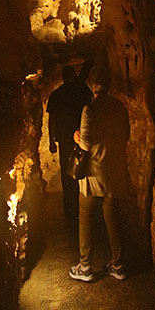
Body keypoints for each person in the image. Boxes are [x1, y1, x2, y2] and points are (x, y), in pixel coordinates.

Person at [69, 65, 131, 283]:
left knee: (85, 216)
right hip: (115, 170)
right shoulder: (120, 107)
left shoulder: (90, 109)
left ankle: (85, 266)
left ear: (91, 85)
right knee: (112, 216)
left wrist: (77, 139)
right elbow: (126, 135)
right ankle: (118, 263)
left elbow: (85, 144)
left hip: (94, 172)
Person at [47, 63, 91, 224]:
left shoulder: (56, 95)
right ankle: (83, 206)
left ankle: (69, 208)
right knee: (83, 170)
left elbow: (52, 120)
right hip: (83, 138)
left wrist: (51, 140)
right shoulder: (82, 92)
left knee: (67, 172)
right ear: (73, 76)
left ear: (62, 77)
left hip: (64, 139)